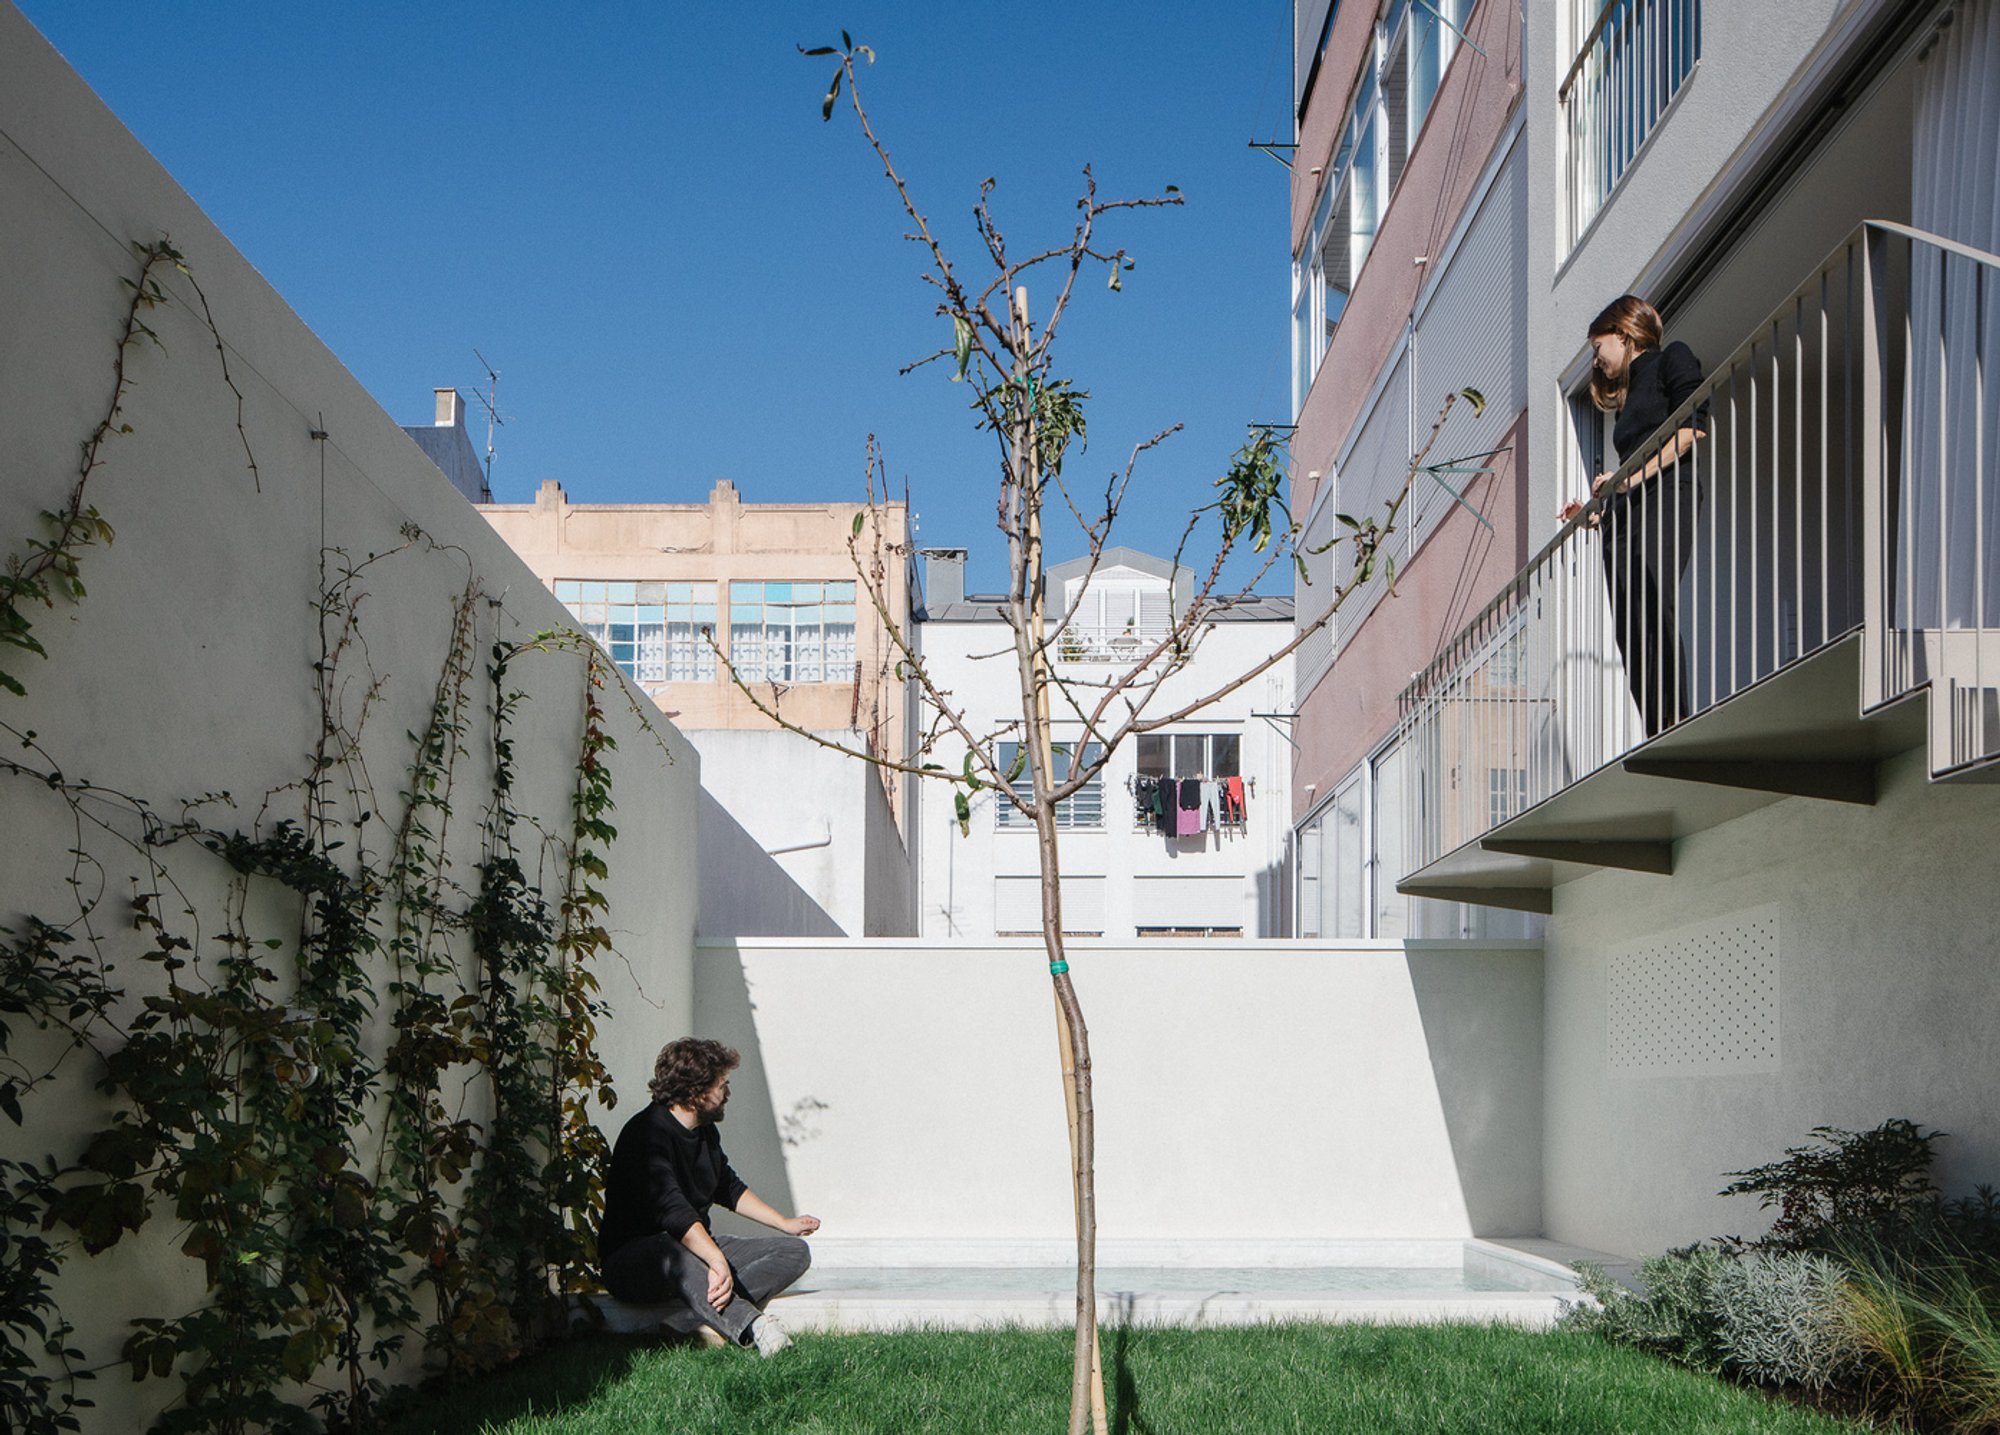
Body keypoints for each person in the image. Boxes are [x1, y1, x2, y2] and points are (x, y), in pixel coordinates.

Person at [598, 1037, 820, 1355]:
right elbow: (672, 1212)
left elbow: (726, 1186)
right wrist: (715, 1259)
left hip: (691, 1251)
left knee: (794, 1252)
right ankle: (754, 1326)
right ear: (695, 1092)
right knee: (670, 1247)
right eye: (721, 1085)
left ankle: (688, 1320)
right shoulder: (645, 1135)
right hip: (636, 1263)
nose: (727, 1093)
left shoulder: (704, 1131)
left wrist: (784, 1223)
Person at [1558, 295, 1708, 737]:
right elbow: (1628, 473)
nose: (1596, 360)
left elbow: (1693, 427)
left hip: (1667, 492)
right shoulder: (1625, 400)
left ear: (1623, 334)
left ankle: (1675, 718)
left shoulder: (1671, 359)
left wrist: (1633, 475)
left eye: (1598, 346)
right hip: (1626, 511)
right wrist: (1595, 512)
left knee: (1653, 596)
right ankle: (1655, 728)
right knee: (1629, 620)